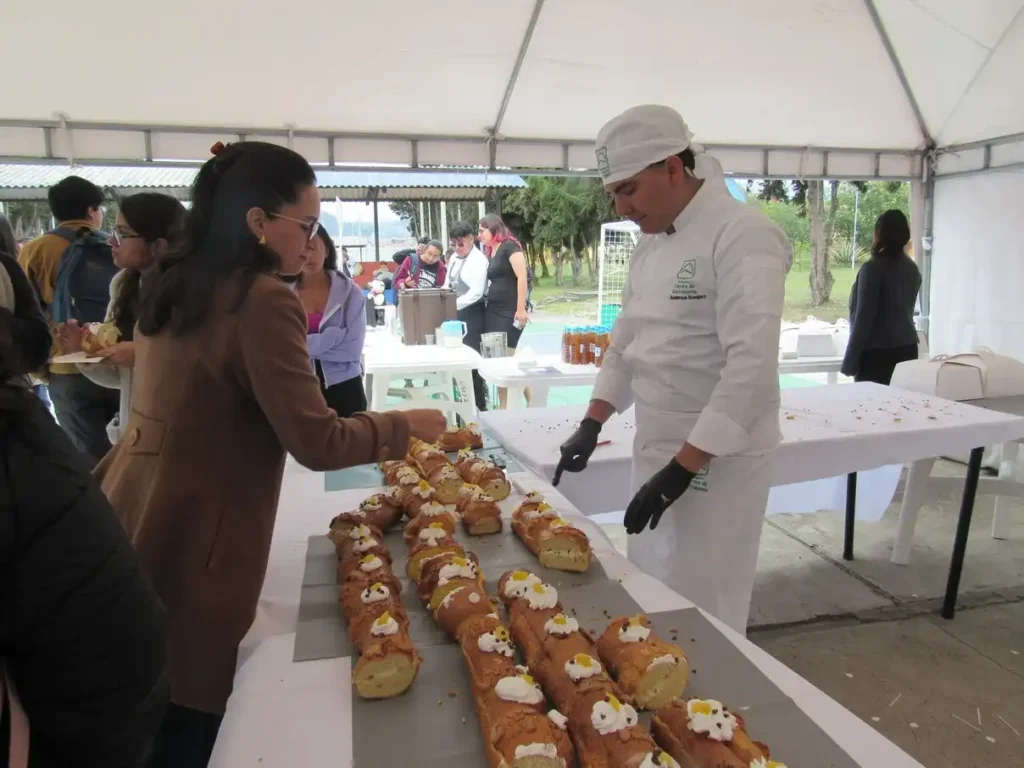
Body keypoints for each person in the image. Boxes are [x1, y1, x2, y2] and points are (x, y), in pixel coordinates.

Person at [94, 141, 446, 767]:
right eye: (305, 224)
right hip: (201, 529)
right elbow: (316, 439)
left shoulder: (177, 280)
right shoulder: (259, 299)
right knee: (189, 713)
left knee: (146, 694)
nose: (312, 240)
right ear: (259, 222)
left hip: (138, 507)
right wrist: (404, 425)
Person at [553, 105, 790, 633]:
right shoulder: (649, 245)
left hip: (718, 459)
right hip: (657, 445)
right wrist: (593, 420)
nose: (622, 206)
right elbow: (627, 341)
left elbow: (751, 367)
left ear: (673, 169)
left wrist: (685, 466)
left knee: (705, 601)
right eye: (613, 192)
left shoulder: (742, 235)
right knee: (650, 582)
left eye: (630, 189)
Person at [1, 273, 170, 767]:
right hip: (102, 701)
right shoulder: (26, 430)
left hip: (87, 711)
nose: (115, 243)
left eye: (126, 233)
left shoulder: (22, 441)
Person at [58, 193, 186, 443]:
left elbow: (201, 366)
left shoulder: (192, 292)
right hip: (135, 432)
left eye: (122, 234)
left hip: (180, 435)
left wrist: (143, 354)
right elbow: (120, 378)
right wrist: (86, 353)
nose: (111, 242)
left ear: (159, 245)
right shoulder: (123, 284)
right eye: (113, 232)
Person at [18, 175, 120, 464]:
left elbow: (28, 311)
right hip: (114, 360)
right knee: (124, 449)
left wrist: (41, 370)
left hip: (67, 365)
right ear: (91, 211)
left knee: (88, 458)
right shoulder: (115, 246)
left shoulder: (37, 249)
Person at [841, 210, 921, 385]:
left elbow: (864, 318)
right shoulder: (912, 269)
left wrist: (850, 362)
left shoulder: (872, 269)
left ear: (879, 233)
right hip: (907, 349)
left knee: (871, 407)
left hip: (877, 355)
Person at [295, 225, 368, 417]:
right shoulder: (282, 294)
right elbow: (280, 348)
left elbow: (351, 350)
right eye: (301, 248)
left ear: (327, 249)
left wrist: (304, 345)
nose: (308, 254)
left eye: (313, 247)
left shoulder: (351, 293)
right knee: (305, 446)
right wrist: (333, 336)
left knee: (353, 444)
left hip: (345, 387)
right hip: (298, 387)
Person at [479, 213, 530, 408]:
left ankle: (508, 405)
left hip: (510, 312)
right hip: (493, 310)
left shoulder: (510, 246)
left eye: (482, 230)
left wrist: (520, 309)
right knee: (499, 360)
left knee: (506, 360)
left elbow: (522, 278)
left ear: (493, 228)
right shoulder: (491, 251)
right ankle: (506, 403)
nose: (479, 234)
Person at [445, 220, 490, 410]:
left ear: (471, 239)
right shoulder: (454, 258)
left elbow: (476, 293)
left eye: (461, 244)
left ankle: (480, 405)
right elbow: (447, 283)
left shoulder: (479, 260)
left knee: (472, 361)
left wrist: (452, 305)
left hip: (473, 314)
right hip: (454, 314)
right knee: (454, 360)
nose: (457, 248)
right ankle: (458, 404)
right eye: (453, 244)